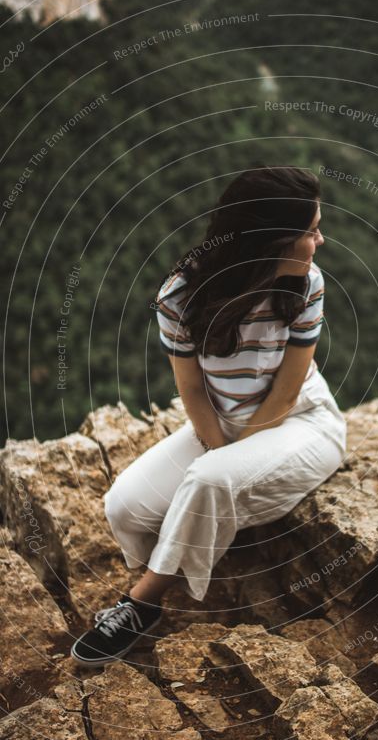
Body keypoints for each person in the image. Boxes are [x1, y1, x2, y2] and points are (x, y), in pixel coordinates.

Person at [70, 164, 347, 666]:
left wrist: (225, 467)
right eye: (310, 231)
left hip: (302, 423)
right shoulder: (180, 296)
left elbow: (285, 395)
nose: (320, 241)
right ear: (270, 243)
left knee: (208, 482)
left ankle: (142, 602)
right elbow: (192, 390)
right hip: (220, 422)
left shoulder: (307, 285)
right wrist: (221, 451)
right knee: (123, 507)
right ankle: (189, 542)